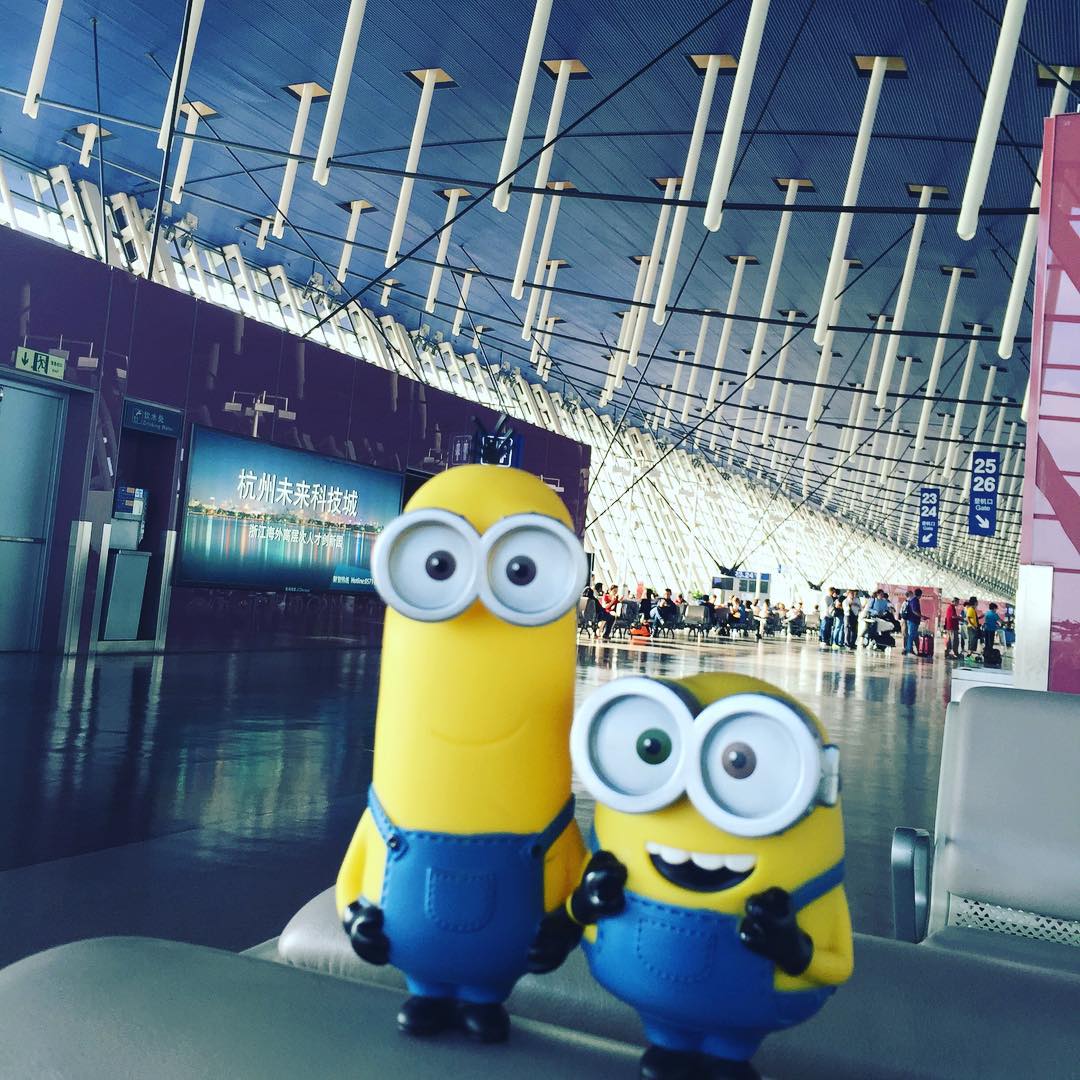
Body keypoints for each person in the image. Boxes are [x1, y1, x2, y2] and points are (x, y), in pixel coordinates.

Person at [901, 589, 923, 656]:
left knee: (913, 635)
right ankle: (908, 649)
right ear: (920, 595)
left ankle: (909, 649)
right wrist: (921, 616)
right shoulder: (915, 600)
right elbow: (914, 610)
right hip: (913, 620)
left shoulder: (912, 600)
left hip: (913, 620)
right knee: (911, 635)